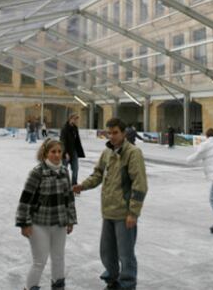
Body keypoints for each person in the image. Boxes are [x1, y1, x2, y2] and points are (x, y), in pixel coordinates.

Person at [73, 117, 148, 290]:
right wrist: (82, 186)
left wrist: (133, 212)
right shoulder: (107, 152)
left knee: (125, 253)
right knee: (107, 252)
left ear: (123, 133)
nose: (112, 136)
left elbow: (140, 184)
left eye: (115, 133)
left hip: (124, 213)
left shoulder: (133, 153)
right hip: (108, 211)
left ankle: (128, 284)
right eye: (109, 133)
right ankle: (112, 279)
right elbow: (98, 174)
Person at [16, 138, 76, 290]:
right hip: (39, 224)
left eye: (59, 152)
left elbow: (69, 197)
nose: (56, 155)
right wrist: (24, 223)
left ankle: (58, 286)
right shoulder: (37, 172)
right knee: (39, 261)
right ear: (45, 153)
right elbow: (25, 200)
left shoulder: (64, 171)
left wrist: (70, 219)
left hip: (59, 223)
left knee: (58, 258)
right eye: (53, 152)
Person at [60, 114, 85, 185]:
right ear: (70, 119)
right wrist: (65, 153)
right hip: (66, 152)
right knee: (64, 169)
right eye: (74, 119)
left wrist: (78, 150)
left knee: (75, 168)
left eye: (76, 119)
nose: (76, 120)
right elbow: (62, 141)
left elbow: (77, 140)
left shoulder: (75, 128)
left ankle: (74, 184)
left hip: (74, 151)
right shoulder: (64, 128)